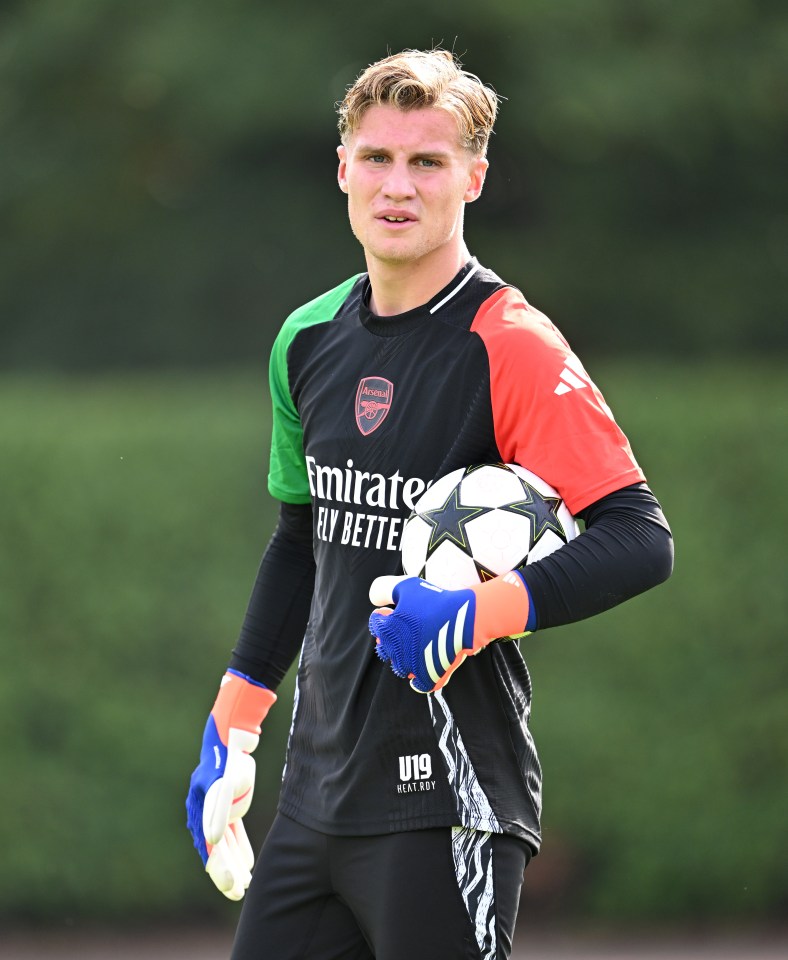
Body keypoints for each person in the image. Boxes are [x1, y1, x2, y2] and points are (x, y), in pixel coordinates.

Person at [186, 48, 673, 960]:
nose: (397, 186)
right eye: (376, 158)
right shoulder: (306, 339)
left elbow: (640, 540)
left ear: (474, 178)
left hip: (448, 802)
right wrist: (236, 721)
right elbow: (304, 540)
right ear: (342, 170)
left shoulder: (511, 344)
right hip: (313, 798)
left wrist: (473, 616)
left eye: (428, 162)